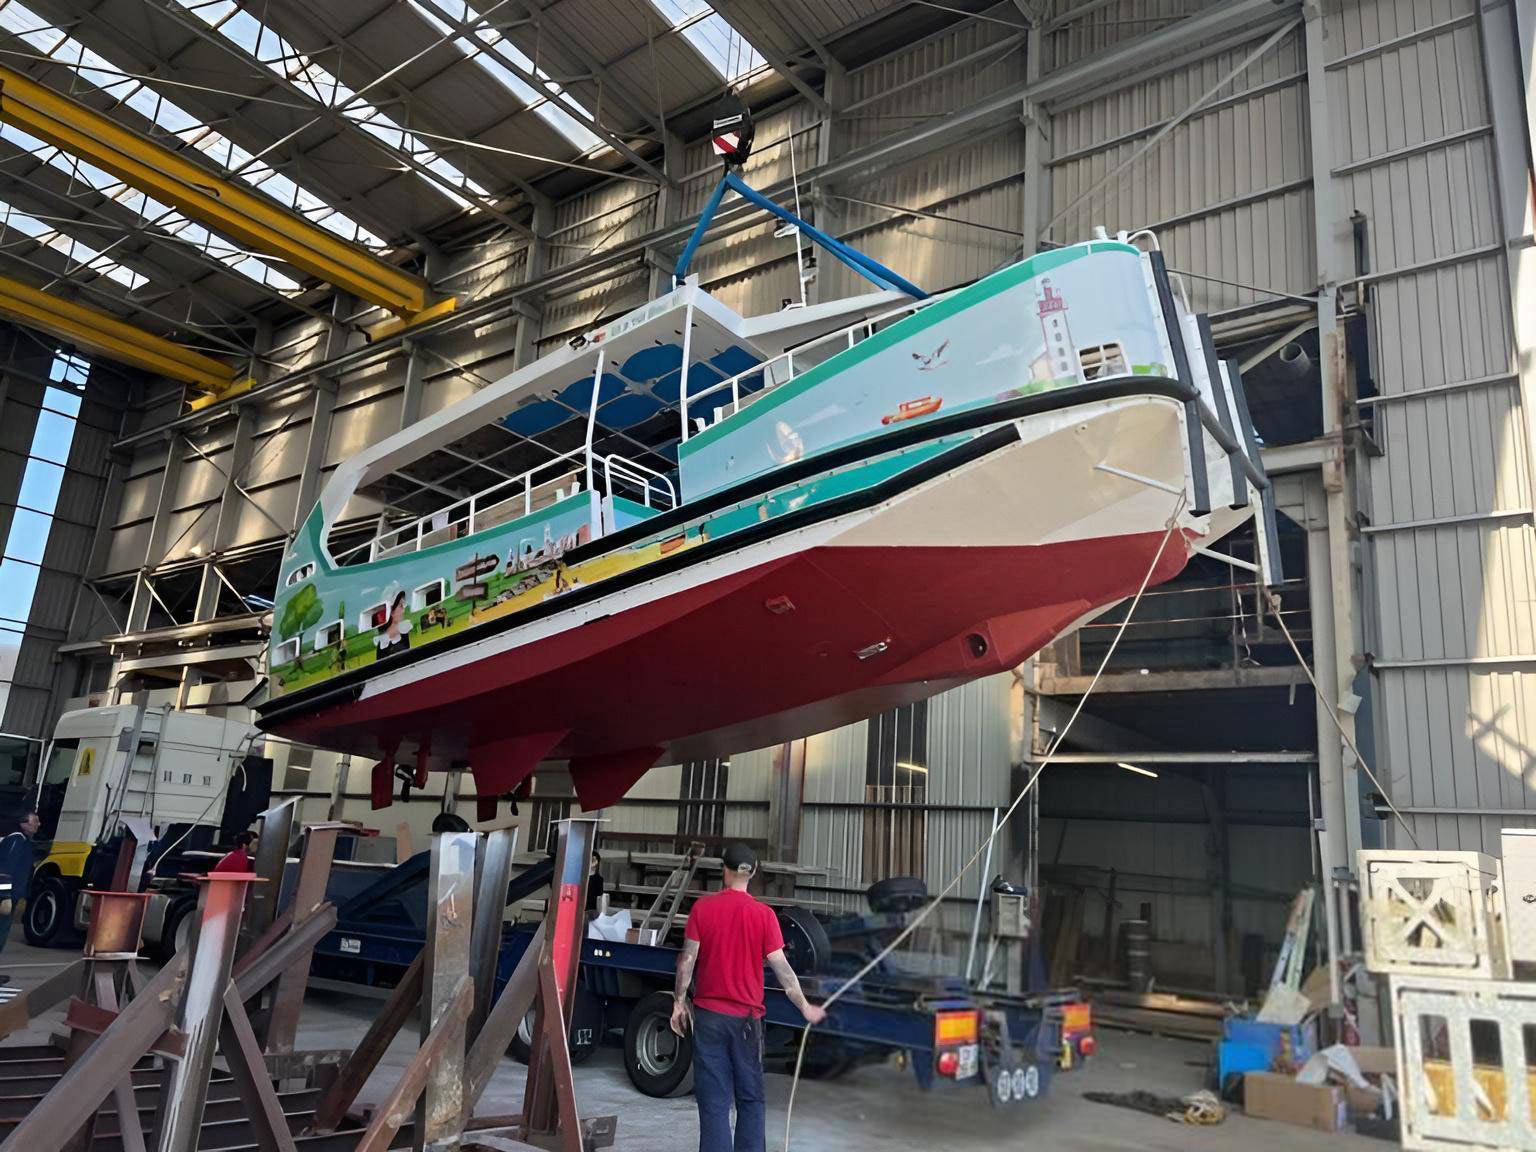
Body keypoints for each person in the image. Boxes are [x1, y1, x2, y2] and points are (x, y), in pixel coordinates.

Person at [671, 843, 826, 1152]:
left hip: (710, 1018)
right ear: (752, 873)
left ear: (723, 870)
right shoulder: (764, 915)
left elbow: (687, 961)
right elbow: (783, 971)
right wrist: (805, 1008)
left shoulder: (703, 908)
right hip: (746, 1022)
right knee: (750, 1098)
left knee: (714, 1100)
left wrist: (677, 1003)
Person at [0, 809, 40, 955]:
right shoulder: (16, 841)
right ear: (23, 824)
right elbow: (5, 870)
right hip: (5, 897)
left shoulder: (23, 842)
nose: (38, 824)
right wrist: (4, 896)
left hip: (11, 896)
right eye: (34, 821)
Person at [375, 591, 411, 656]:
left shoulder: (404, 634)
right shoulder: (383, 645)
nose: (403, 610)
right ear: (390, 611)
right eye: (401, 606)